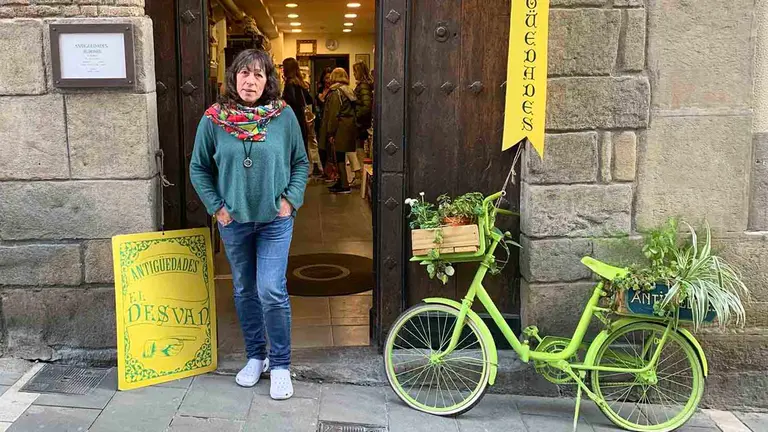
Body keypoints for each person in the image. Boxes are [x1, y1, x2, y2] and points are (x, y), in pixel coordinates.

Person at [189, 49, 309, 400]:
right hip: (234, 222)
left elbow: (300, 162)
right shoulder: (213, 120)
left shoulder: (283, 117)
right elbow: (199, 168)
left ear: (268, 80)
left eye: (258, 74)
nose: (250, 81)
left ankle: (282, 364)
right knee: (243, 290)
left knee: (271, 289)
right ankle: (256, 356)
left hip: (275, 220)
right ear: (233, 78)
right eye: (244, 73)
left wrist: (289, 201)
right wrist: (218, 208)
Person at [319, 67, 357, 194]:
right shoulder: (348, 90)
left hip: (339, 128)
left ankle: (344, 184)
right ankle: (341, 181)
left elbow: (333, 114)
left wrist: (330, 132)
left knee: (338, 156)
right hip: (348, 126)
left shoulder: (336, 92)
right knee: (341, 155)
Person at [352, 61, 374, 186]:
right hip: (362, 123)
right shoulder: (364, 86)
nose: (354, 74)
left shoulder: (363, 86)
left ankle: (363, 177)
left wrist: (357, 116)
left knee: (359, 150)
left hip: (361, 123)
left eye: (355, 71)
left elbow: (366, 106)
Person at [281, 58, 308, 152]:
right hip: (300, 118)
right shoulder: (300, 83)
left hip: (292, 118)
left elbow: (289, 102)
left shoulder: (290, 83)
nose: (282, 70)